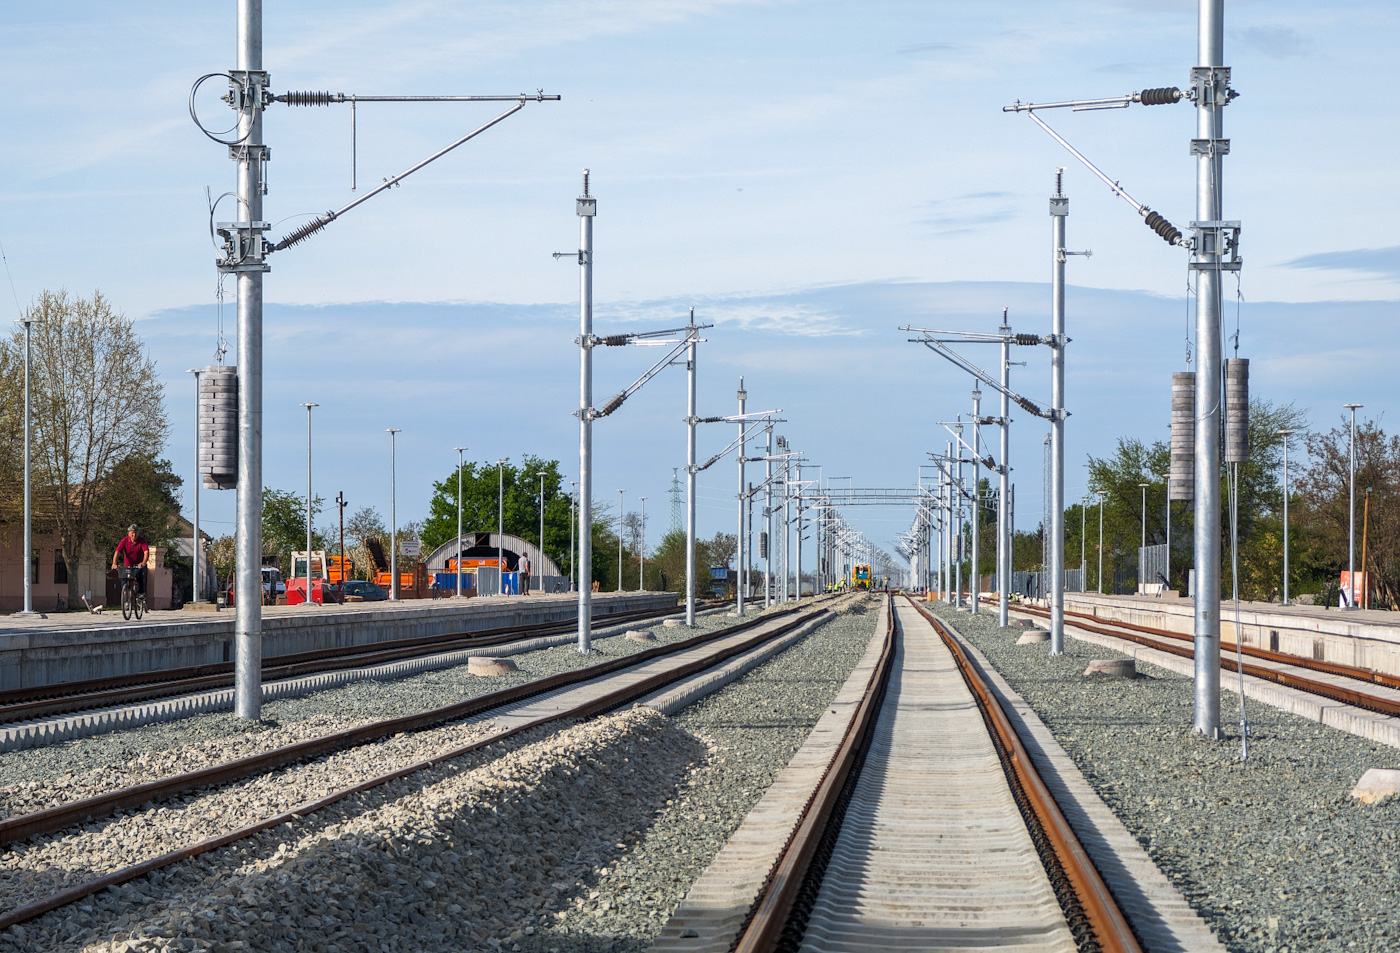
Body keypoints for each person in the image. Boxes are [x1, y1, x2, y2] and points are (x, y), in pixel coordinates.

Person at [112, 524, 150, 597]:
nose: (134, 534)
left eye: (136, 532)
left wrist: (143, 562)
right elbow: (117, 552)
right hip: (128, 565)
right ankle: (125, 598)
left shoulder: (142, 541)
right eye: (132, 532)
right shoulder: (125, 540)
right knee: (124, 578)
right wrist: (114, 563)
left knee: (139, 573)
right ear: (129, 533)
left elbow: (146, 552)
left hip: (138, 564)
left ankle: (140, 593)